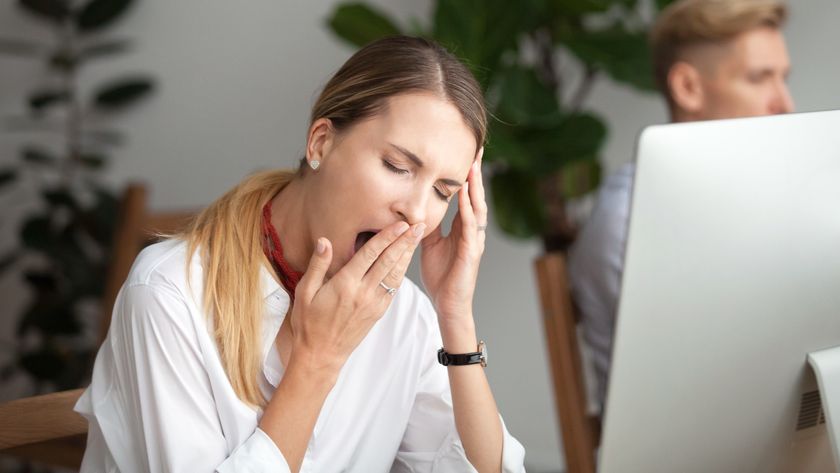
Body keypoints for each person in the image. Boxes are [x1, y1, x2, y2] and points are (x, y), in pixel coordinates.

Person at [74, 36, 526, 473]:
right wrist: (317, 360)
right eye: (397, 167)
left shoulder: (406, 315)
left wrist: (456, 315)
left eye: (442, 191)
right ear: (321, 143)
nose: (415, 210)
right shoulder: (168, 294)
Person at [568, 0, 794, 414]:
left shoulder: (768, 202)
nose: (784, 103)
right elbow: (711, 391)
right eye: (760, 78)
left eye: (783, 78)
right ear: (688, 87)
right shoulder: (631, 221)